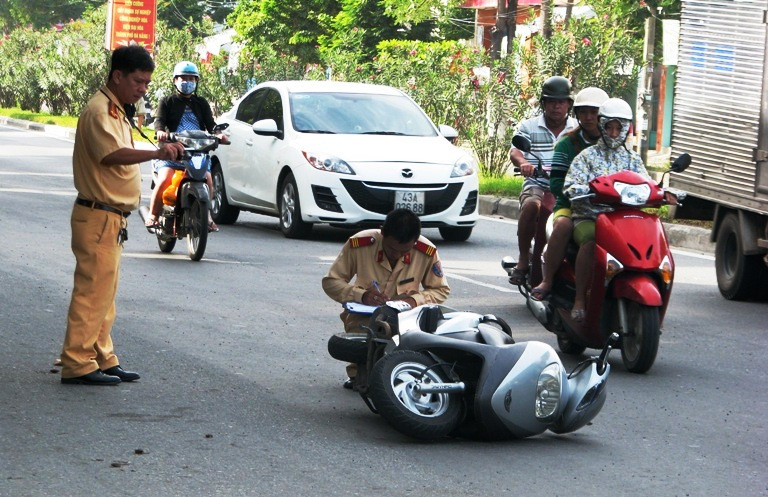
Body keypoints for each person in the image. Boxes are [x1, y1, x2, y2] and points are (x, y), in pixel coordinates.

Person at [60, 45, 185, 385]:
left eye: (147, 83)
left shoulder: (116, 110)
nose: (143, 89)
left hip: (110, 218)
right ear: (117, 76)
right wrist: (156, 153)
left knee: (104, 294)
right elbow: (111, 155)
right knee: (92, 293)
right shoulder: (100, 111)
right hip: (98, 216)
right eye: (138, 81)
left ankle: (101, 356)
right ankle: (77, 362)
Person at [563, 97, 676, 321]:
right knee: (590, 243)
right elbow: (570, 185)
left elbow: (648, 184)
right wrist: (583, 189)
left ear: (626, 129)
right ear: (602, 126)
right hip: (591, 217)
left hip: (626, 221)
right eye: (609, 127)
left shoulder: (633, 159)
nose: (614, 133)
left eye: (619, 128)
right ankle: (580, 299)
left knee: (660, 248)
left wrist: (664, 193)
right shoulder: (587, 156)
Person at [322, 208, 450, 388]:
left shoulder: (426, 251)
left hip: (405, 318)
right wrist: (362, 295)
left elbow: (441, 290)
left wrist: (414, 301)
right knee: (363, 376)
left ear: (415, 241)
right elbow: (331, 282)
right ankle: (358, 373)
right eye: (391, 249)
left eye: (404, 251)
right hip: (365, 317)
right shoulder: (360, 244)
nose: (396, 255)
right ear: (382, 232)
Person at [530, 87, 610, 301]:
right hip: (571, 206)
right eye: (584, 112)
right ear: (577, 114)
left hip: (609, 208)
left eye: (594, 112)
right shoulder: (567, 144)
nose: (589, 117)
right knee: (564, 226)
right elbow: (556, 183)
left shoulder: (614, 144)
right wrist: (580, 193)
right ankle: (548, 280)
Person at [507, 76, 578, 285]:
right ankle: (523, 259)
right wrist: (524, 163)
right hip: (537, 183)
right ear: (543, 103)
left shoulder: (576, 129)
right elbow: (515, 151)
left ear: (569, 104)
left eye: (561, 102)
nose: (557, 106)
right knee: (531, 206)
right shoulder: (529, 126)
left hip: (569, 186)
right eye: (551, 102)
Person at [145, 60, 228, 232]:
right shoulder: (167, 101)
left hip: (197, 151)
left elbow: (211, 124)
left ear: (196, 82)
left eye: (191, 79)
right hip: (173, 151)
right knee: (165, 179)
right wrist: (160, 132)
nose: (187, 82)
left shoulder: (201, 103)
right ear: (175, 80)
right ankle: (153, 215)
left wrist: (219, 134)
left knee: (208, 179)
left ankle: (207, 217)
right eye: (183, 78)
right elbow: (159, 121)